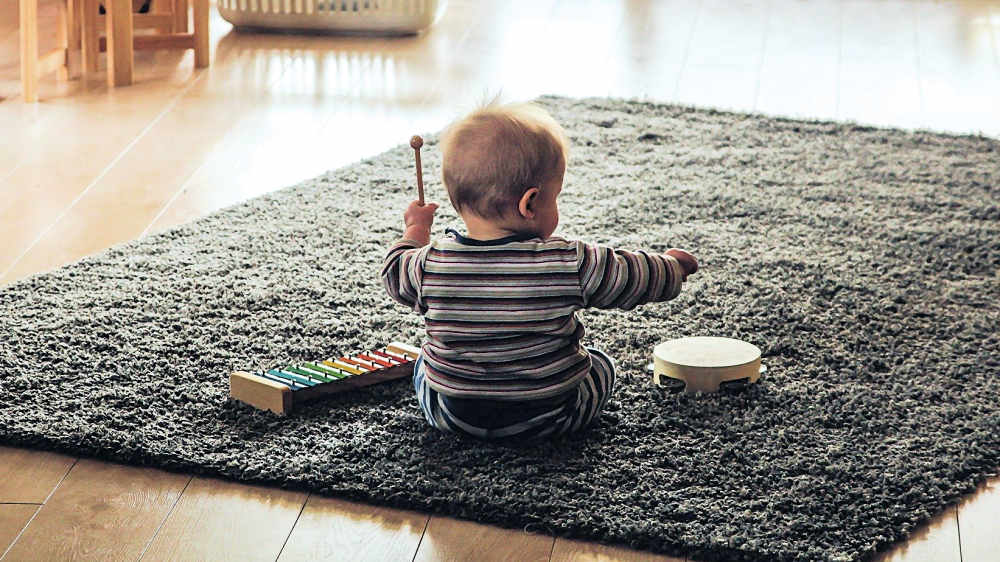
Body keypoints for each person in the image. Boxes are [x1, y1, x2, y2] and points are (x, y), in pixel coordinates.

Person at [382, 101, 698, 443]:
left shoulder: (428, 264)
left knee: (422, 366)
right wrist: (672, 267)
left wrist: (415, 231)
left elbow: (393, 271)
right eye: (555, 197)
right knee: (602, 364)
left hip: (455, 416)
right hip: (550, 416)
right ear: (530, 204)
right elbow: (630, 275)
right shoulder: (568, 262)